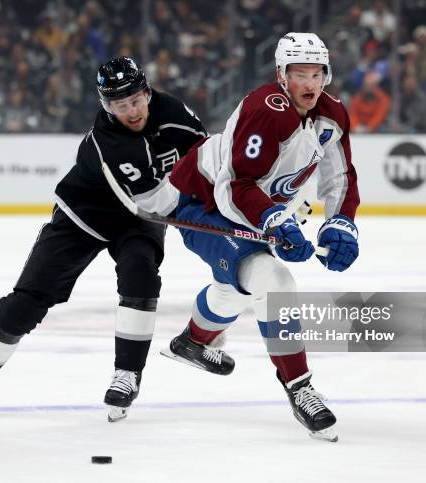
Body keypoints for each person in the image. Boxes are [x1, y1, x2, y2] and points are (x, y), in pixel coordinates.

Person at [0, 56, 207, 421]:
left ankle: (127, 374)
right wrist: (201, 212)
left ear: (147, 91)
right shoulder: (109, 143)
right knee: (28, 300)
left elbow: (207, 158)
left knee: (140, 274)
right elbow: (158, 203)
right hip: (85, 214)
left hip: (137, 218)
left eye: (136, 100)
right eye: (120, 105)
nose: (132, 111)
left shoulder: (174, 111)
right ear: (106, 106)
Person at [160, 33, 360, 441]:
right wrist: (273, 220)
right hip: (204, 202)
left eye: (317, 73)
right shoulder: (265, 110)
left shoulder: (333, 115)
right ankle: (300, 387)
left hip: (252, 206)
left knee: (243, 283)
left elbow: (339, 177)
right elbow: (234, 186)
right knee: (274, 281)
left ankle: (191, 343)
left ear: (327, 75)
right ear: (281, 76)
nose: (309, 83)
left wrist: (340, 223)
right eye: (298, 73)